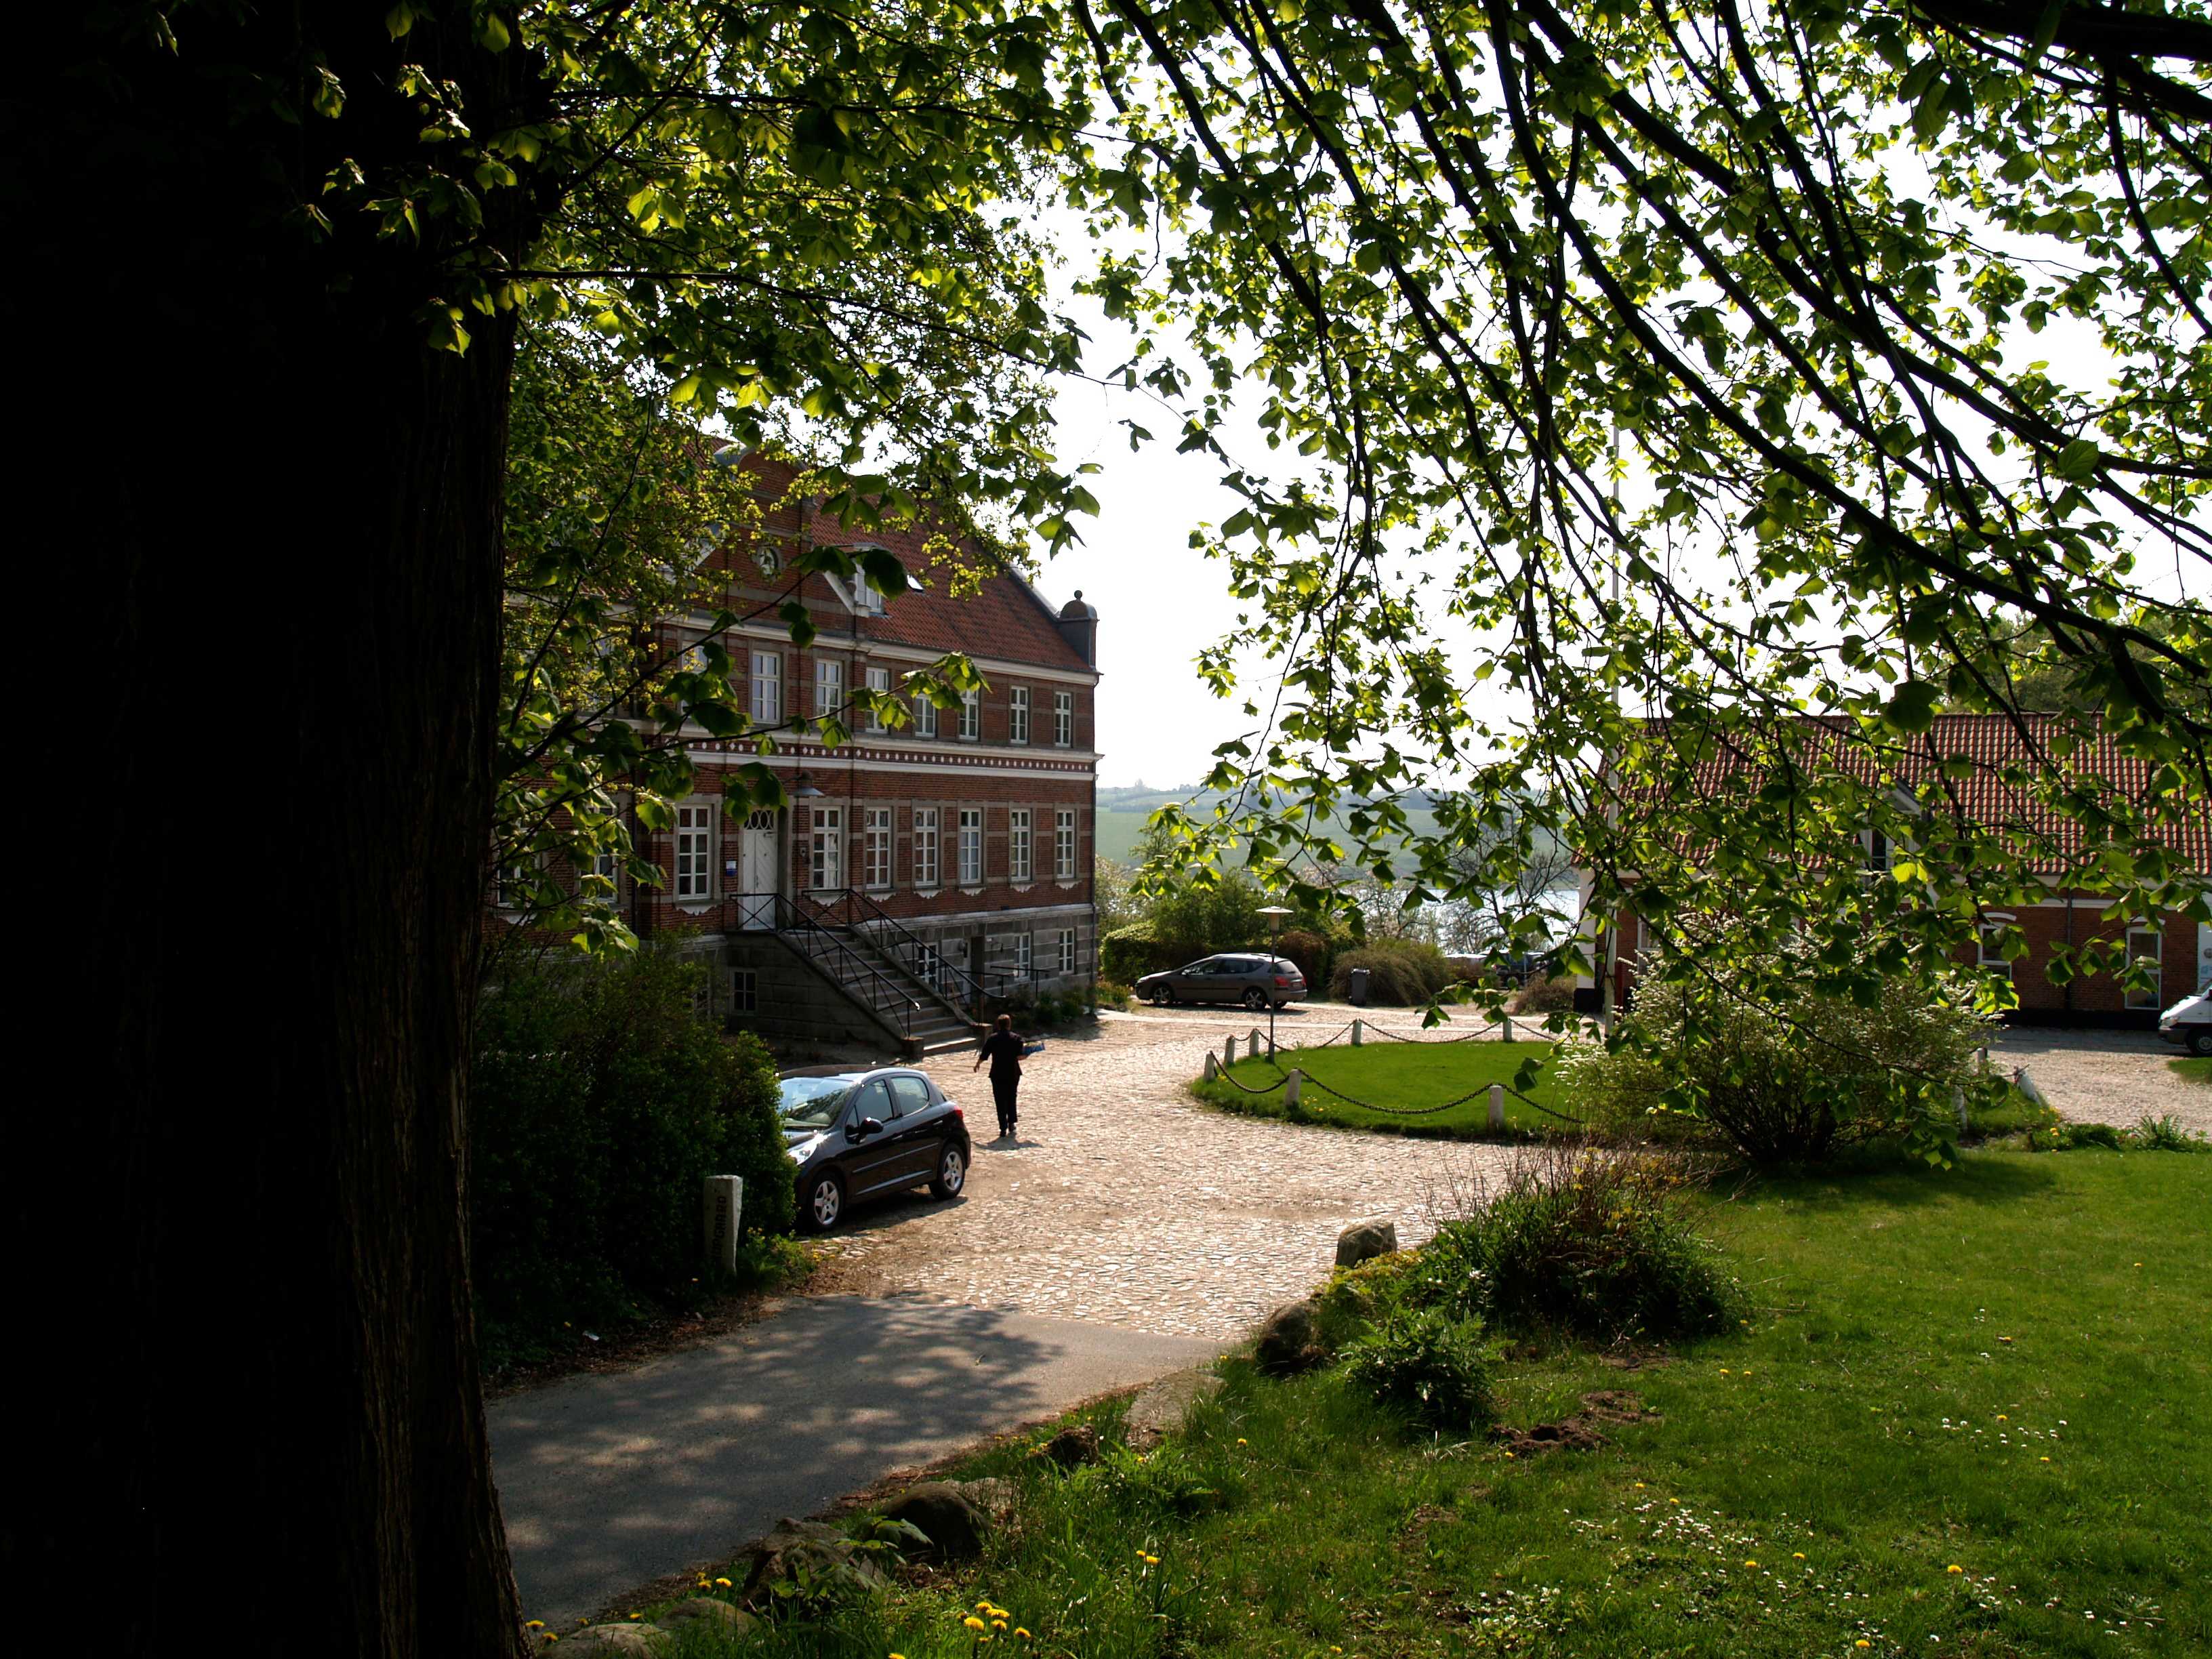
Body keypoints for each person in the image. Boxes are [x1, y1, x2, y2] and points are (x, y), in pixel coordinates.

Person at [973, 1012, 1026, 1139]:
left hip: (997, 1073)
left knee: (1000, 1100)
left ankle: (1003, 1127)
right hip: (1013, 1072)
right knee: (1011, 1097)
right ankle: (1011, 1123)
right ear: (1009, 1024)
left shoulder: (992, 1039)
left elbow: (985, 1054)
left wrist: (977, 1064)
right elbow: (1020, 1057)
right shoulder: (1016, 1038)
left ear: (998, 1025)